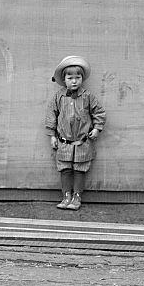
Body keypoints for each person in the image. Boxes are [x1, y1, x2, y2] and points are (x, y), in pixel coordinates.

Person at [46, 55, 106, 211]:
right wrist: (52, 135)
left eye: (77, 77)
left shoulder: (88, 97)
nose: (74, 81)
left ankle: (77, 197)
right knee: (65, 169)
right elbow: (51, 115)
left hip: (82, 142)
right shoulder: (58, 97)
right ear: (64, 79)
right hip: (64, 142)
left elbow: (99, 112)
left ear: (82, 78)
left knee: (80, 169)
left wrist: (96, 128)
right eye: (70, 77)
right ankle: (66, 196)